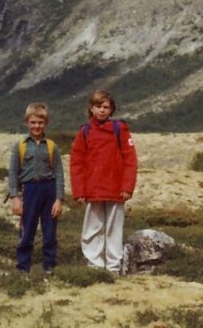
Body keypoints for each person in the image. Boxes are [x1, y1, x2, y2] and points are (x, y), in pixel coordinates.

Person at [69, 89, 138, 274]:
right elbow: (77, 163)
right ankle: (95, 266)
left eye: (106, 107)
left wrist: (127, 187)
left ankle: (114, 267)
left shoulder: (120, 130)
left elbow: (130, 160)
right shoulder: (84, 132)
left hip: (116, 190)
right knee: (92, 228)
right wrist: (79, 191)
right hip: (93, 190)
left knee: (114, 229)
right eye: (98, 106)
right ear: (91, 108)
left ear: (112, 110)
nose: (102, 110)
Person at [7, 102, 65, 273]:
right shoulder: (20, 146)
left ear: (46, 123)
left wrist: (59, 199)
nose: (37, 126)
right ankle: (23, 267)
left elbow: (60, 174)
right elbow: (13, 173)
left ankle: (50, 267)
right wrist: (14, 197)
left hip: (49, 190)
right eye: (33, 122)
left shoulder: (52, 146)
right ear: (27, 122)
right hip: (29, 190)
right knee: (27, 231)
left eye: (40, 122)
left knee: (49, 232)